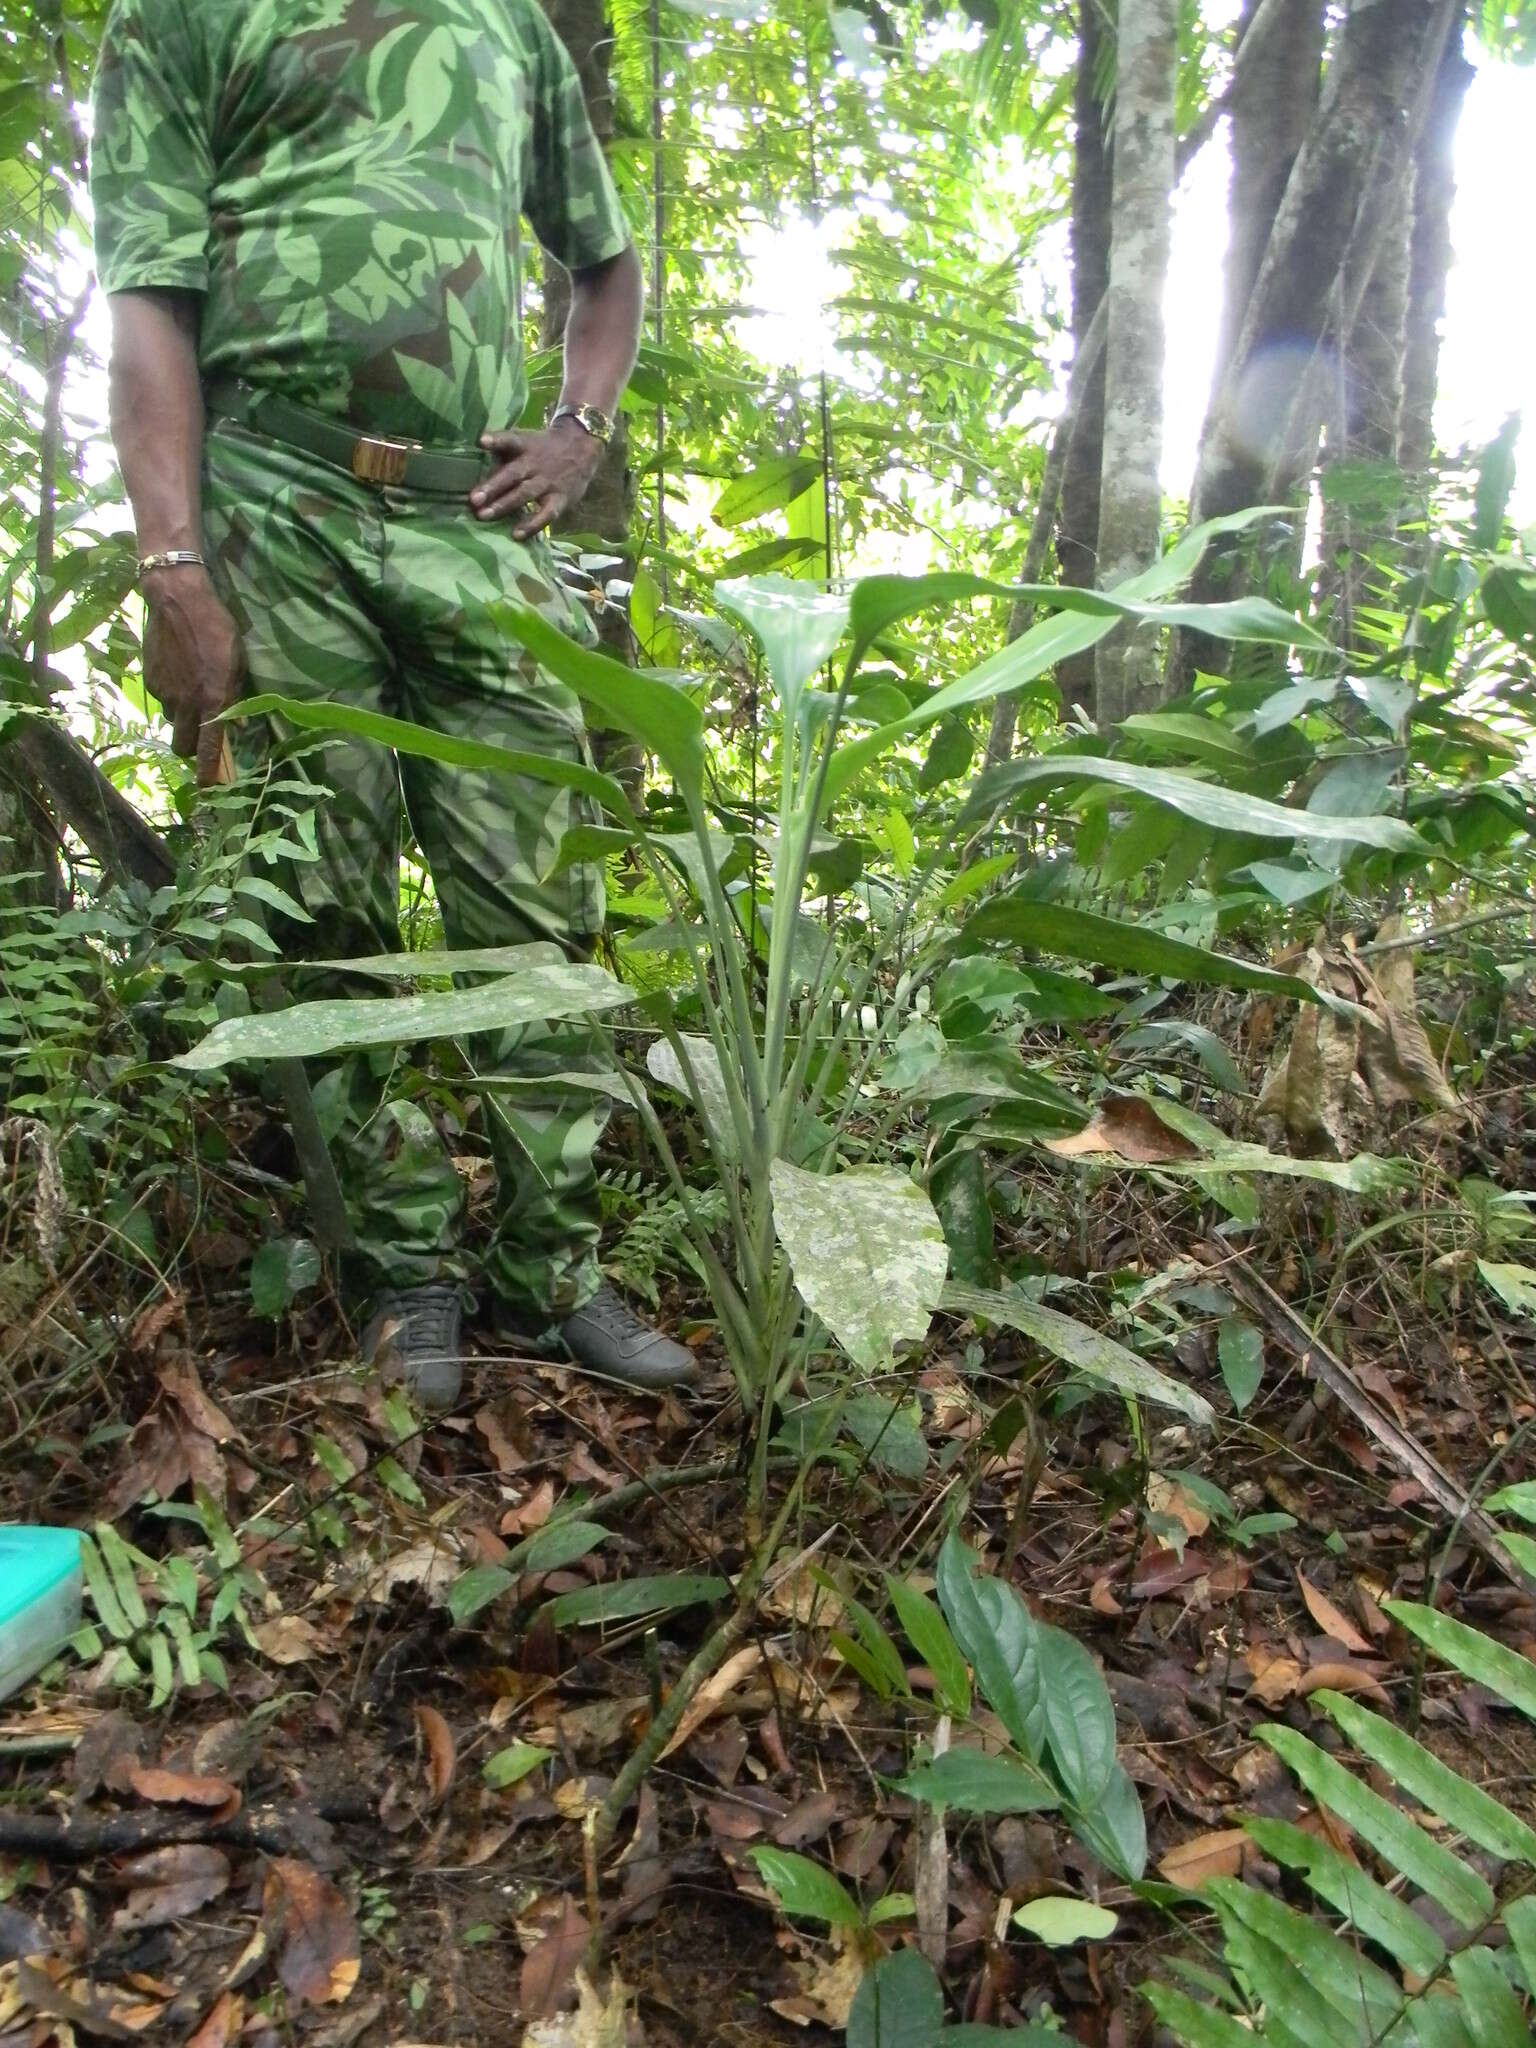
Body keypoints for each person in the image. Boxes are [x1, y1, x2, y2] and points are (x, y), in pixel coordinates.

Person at [89, 0, 696, 1405]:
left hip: (473, 520)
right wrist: (174, 563)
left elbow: (603, 266)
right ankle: (402, 1268)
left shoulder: (508, 25)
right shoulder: (178, 16)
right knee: (321, 898)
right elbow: (148, 304)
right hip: (276, 499)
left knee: (537, 891)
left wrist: (580, 428)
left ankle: (559, 1269)